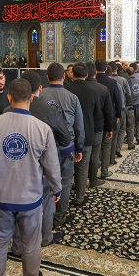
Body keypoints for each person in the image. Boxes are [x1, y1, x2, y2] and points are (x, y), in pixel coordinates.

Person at [0, 79, 62, 276]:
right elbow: (52, 165)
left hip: (0, 199)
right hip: (30, 200)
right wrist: (57, 188)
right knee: (31, 243)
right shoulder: (42, 128)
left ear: (9, 98)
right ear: (31, 98)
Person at [5, 71, 71, 254]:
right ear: (39, 88)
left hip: (13, 169)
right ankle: (45, 237)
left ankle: (18, 246)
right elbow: (65, 139)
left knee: (17, 206)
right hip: (41, 169)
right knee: (47, 203)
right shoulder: (49, 111)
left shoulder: (5, 112)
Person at [39, 63, 84, 226]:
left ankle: (45, 217)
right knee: (64, 182)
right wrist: (79, 147)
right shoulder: (72, 97)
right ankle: (59, 217)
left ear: (47, 77)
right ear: (64, 76)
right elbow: (79, 126)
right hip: (66, 147)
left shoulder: (40, 96)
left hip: (44, 146)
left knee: (45, 181)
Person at [67, 63, 104, 205]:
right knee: (82, 167)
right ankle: (80, 197)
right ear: (86, 75)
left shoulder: (66, 89)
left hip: (68, 134)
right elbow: (97, 112)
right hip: (87, 132)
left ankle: (65, 196)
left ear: (72, 74)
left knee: (67, 167)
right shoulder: (93, 91)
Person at [86, 62, 115, 186]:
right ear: (95, 73)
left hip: (81, 126)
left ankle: (80, 180)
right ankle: (93, 179)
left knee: (83, 153)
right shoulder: (102, 89)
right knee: (95, 154)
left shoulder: (73, 87)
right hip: (97, 126)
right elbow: (108, 111)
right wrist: (110, 128)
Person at [95, 59, 122, 179]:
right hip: (109, 117)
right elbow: (118, 101)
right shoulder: (112, 82)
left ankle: (94, 169)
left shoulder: (92, 82)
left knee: (96, 147)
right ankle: (104, 171)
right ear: (106, 69)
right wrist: (118, 116)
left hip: (96, 118)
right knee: (106, 146)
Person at [109, 61, 132, 156]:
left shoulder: (107, 80)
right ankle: (117, 149)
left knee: (111, 130)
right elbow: (129, 93)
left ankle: (110, 151)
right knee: (121, 129)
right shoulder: (123, 80)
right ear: (117, 69)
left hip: (109, 109)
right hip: (121, 107)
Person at [127, 67, 139, 146]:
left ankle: (130, 139)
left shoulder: (127, 82)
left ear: (127, 73)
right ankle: (138, 137)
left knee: (130, 124)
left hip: (131, 106)